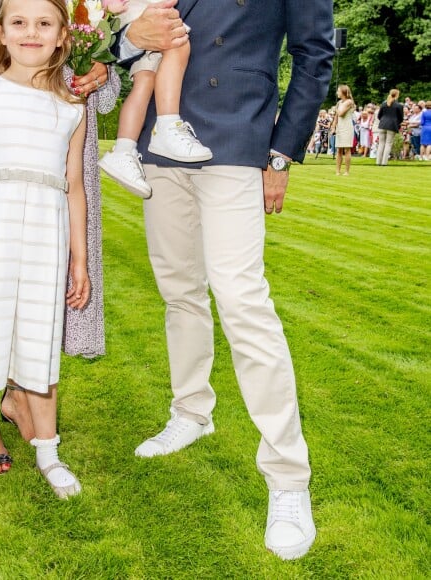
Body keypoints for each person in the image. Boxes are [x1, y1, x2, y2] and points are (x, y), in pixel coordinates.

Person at [115, 0, 334, 561]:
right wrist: (128, 36)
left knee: (241, 299)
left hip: (239, 137)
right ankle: (190, 412)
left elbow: (314, 54)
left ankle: (288, 477)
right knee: (178, 292)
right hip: (161, 141)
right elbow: (130, 35)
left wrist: (281, 155)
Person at [0, 0, 120, 473]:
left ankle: (38, 431)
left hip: (45, 223)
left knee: (38, 327)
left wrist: (79, 258)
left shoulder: (71, 108)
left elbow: (76, 185)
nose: (31, 33)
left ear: (61, 36)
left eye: (44, 25)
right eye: (19, 24)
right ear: (4, 32)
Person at [98, 0, 211, 199]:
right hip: (144, 13)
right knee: (178, 43)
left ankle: (123, 150)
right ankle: (168, 125)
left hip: (132, 15)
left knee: (145, 79)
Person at [331, 85, 355, 175]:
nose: (337, 93)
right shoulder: (339, 102)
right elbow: (336, 117)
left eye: (338, 91)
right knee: (339, 150)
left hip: (347, 127)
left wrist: (335, 109)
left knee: (347, 149)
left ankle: (346, 171)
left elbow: (341, 113)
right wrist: (333, 127)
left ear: (343, 92)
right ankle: (337, 171)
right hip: (340, 127)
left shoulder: (349, 102)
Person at [376, 88, 404, 166]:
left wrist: (383, 121)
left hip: (382, 125)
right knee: (388, 143)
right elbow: (401, 118)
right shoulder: (399, 105)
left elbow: (379, 116)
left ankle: (378, 161)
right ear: (397, 95)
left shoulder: (384, 104)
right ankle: (384, 162)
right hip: (392, 125)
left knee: (381, 143)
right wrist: (397, 123)